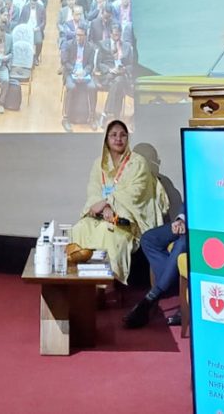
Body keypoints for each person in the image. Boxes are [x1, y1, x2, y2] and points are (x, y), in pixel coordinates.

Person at [69, 121, 166, 284]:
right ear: (106, 139)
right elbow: (93, 190)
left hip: (125, 221)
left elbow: (135, 193)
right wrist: (104, 206)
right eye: (113, 135)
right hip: (100, 215)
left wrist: (110, 203)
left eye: (123, 135)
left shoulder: (138, 163)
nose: (118, 139)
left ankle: (106, 284)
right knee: (79, 229)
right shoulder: (99, 163)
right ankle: (78, 282)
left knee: (107, 231)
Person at [124, 206, 187, 329]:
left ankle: (151, 298)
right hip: (188, 223)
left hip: (206, 228)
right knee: (148, 239)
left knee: (180, 245)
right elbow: (188, 202)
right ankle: (169, 284)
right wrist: (181, 220)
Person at [94, 23, 134, 128]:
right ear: (110, 34)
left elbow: (131, 65)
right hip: (108, 76)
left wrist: (124, 69)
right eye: (115, 34)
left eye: (119, 34)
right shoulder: (102, 44)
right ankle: (116, 116)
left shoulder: (126, 47)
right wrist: (110, 70)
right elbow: (99, 63)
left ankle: (105, 114)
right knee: (118, 83)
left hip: (122, 75)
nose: (117, 36)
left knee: (119, 81)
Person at [61, 25, 95, 132]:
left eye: (81, 35)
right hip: (71, 72)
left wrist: (84, 72)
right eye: (77, 35)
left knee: (93, 87)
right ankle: (66, 118)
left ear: (85, 36)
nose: (78, 37)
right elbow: (64, 62)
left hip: (84, 73)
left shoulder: (91, 47)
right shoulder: (68, 44)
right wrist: (74, 71)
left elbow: (90, 65)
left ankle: (92, 117)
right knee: (71, 87)